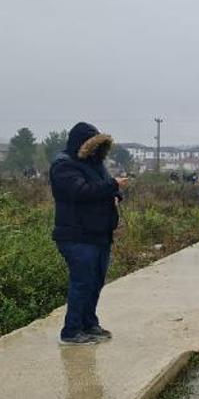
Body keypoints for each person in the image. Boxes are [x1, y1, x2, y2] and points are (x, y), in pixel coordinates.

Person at [50, 122, 126, 345]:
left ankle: (89, 324)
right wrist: (112, 185)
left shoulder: (95, 165)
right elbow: (80, 191)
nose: (96, 151)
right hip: (76, 235)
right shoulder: (64, 166)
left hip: (99, 234)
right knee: (82, 282)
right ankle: (71, 331)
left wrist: (116, 192)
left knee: (95, 281)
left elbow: (106, 187)